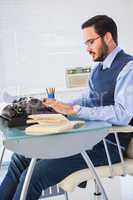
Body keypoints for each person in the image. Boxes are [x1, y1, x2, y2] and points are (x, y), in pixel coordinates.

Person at [0, 15, 133, 200]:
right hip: (86, 138)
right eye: (85, 44)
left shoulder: (128, 67)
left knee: (34, 176)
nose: (87, 49)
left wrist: (76, 111)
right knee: (19, 159)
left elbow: (123, 114)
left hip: (107, 146)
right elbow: (87, 98)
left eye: (91, 42)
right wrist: (62, 105)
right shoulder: (97, 69)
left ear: (108, 37)